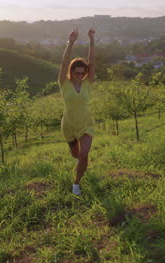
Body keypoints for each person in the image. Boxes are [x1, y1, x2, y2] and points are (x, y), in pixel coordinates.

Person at [58, 28, 95, 196]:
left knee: (84, 156)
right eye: (77, 72)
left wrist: (91, 40)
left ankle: (76, 183)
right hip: (69, 125)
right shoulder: (64, 84)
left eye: (83, 72)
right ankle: (80, 165)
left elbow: (92, 62)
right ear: (71, 72)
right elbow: (64, 62)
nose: (80, 75)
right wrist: (71, 42)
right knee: (76, 155)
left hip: (86, 124)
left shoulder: (88, 83)